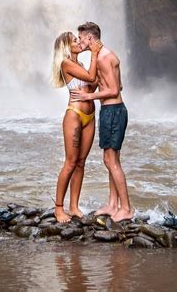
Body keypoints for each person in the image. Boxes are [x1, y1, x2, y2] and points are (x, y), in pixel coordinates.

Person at [71, 21, 133, 222]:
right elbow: (119, 85)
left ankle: (126, 209)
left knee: (109, 160)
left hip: (113, 111)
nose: (79, 42)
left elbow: (114, 90)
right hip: (112, 109)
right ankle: (113, 204)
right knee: (112, 159)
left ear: (90, 38)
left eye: (81, 38)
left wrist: (89, 97)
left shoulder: (104, 58)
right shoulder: (107, 55)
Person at [51, 31, 102, 223]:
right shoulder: (66, 63)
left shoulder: (79, 64)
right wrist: (95, 54)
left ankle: (74, 206)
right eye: (74, 40)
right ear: (66, 47)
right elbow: (90, 77)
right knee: (70, 162)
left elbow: (92, 85)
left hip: (90, 115)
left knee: (81, 162)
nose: (79, 42)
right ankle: (58, 208)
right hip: (74, 115)